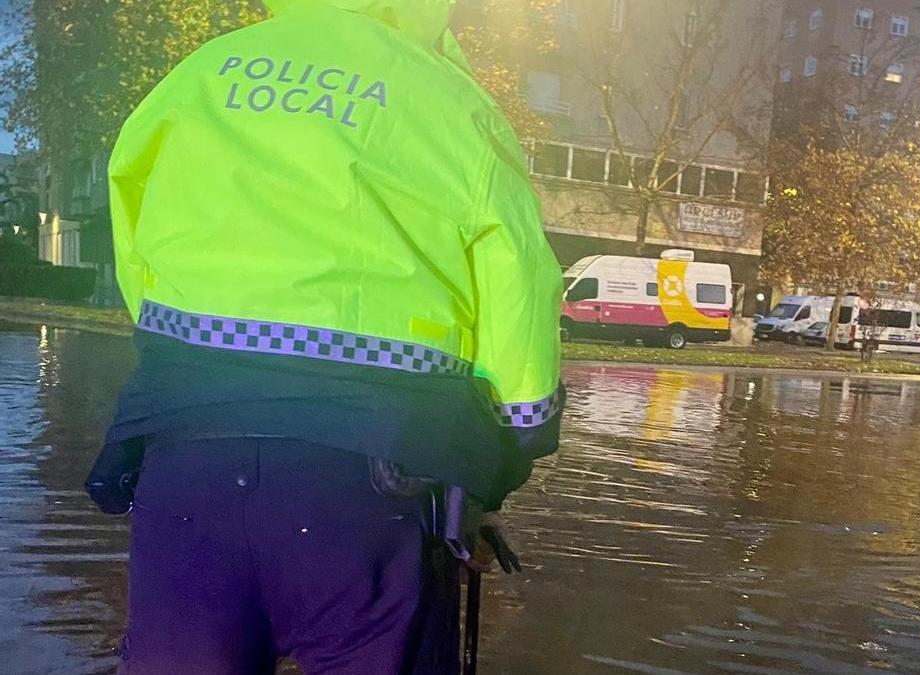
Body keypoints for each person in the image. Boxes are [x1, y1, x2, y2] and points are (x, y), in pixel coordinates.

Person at [84, 0, 564, 672]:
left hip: (186, 455)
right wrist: (500, 462)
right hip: (369, 477)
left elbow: (136, 239)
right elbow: (517, 288)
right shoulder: (453, 101)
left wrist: (188, 366)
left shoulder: (200, 76)